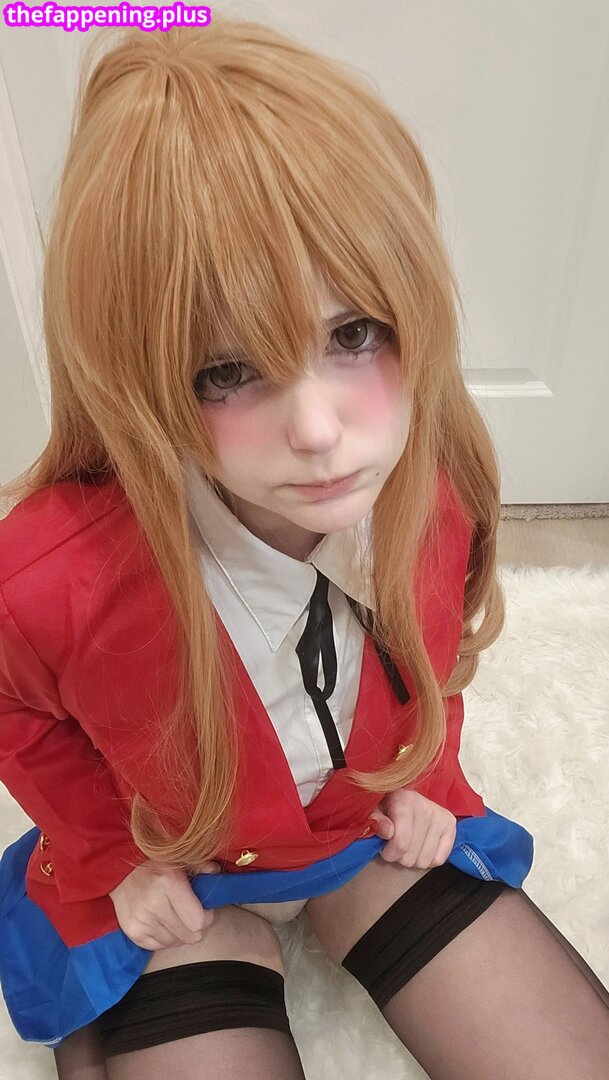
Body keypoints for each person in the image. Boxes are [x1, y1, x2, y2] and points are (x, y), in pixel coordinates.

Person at [0, 16, 607, 1080]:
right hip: (177, 859)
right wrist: (110, 853)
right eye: (227, 372)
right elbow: (15, 710)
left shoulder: (433, 495)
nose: (320, 431)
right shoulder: (47, 580)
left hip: (358, 826)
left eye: (352, 334)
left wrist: (430, 776)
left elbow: (438, 659)